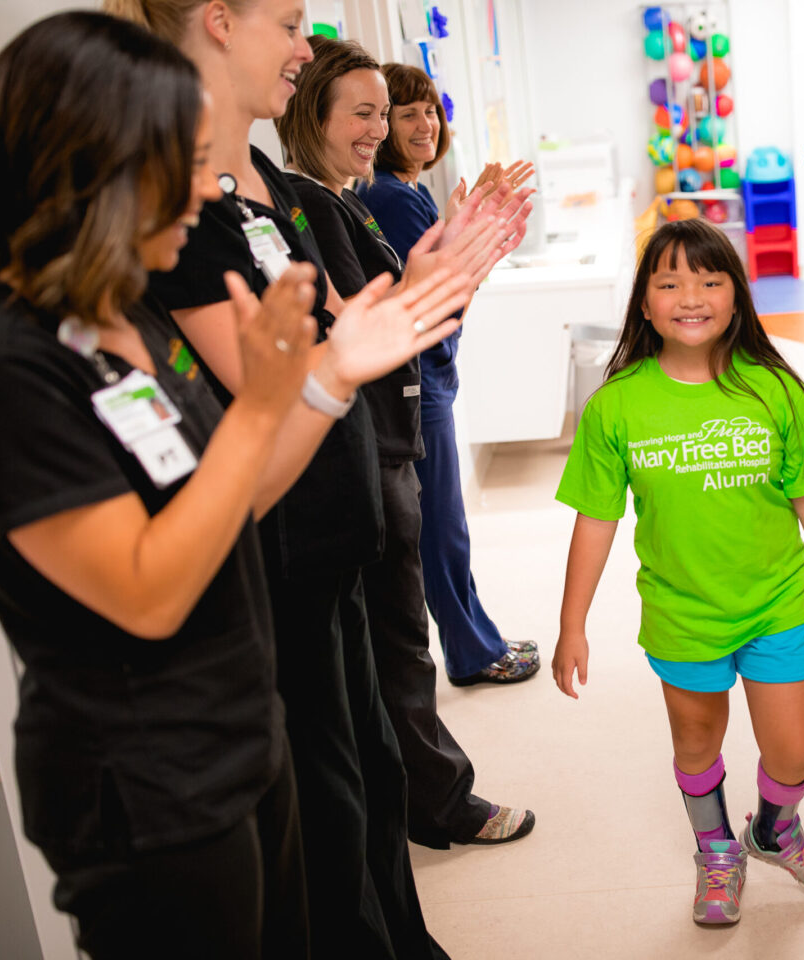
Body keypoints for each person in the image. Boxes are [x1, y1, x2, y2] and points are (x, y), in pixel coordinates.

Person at [0, 11, 471, 957]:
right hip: (148, 786)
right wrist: (282, 395)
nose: (208, 192)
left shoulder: (121, 320)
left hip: (235, 730)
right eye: (186, 162)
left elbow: (231, 502)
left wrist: (326, 379)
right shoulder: (4, 363)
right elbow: (148, 591)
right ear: (95, 161)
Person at [105, 1, 502, 956]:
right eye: (287, 25)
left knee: (367, 782)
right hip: (274, 557)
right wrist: (373, 334)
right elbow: (277, 382)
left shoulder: (260, 185)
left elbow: (340, 327)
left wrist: (424, 285)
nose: (303, 49)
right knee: (324, 812)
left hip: (334, 538)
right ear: (214, 22)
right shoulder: (178, 202)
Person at [552, 219, 804, 925]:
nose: (689, 296)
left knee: (793, 753)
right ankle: (716, 851)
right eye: (668, 282)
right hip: (682, 613)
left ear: (737, 298)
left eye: (709, 279)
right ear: (644, 303)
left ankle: (775, 829)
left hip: (776, 603)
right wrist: (571, 623)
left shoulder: (776, 391)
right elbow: (595, 521)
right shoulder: (617, 406)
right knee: (696, 744)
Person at [274, 35, 537, 848]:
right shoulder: (308, 205)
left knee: (398, 641)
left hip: (384, 442)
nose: (380, 130)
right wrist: (457, 262)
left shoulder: (344, 200)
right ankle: (437, 802)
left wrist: (462, 258)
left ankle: (420, 799)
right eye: (366, 113)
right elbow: (373, 332)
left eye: (385, 115)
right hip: (364, 449)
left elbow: (404, 316)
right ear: (307, 111)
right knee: (395, 647)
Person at [358, 63, 539, 686]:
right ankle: (470, 651)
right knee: (442, 530)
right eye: (405, 114)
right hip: (417, 382)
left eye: (430, 110)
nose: (424, 124)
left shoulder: (410, 192)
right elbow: (443, 301)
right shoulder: (390, 196)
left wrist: (474, 229)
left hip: (429, 375)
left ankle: (476, 640)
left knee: (447, 525)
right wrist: (483, 236)